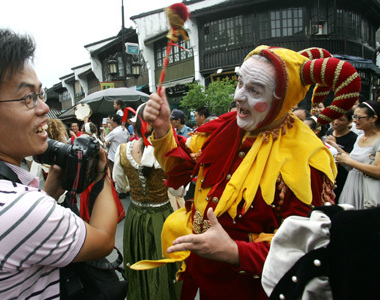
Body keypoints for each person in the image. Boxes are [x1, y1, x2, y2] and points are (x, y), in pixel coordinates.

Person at [136, 46, 360, 299]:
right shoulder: (224, 127)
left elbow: (305, 250)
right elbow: (183, 170)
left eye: (254, 90)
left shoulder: (306, 157)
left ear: (282, 100)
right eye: (240, 82)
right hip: (202, 272)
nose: (239, 97)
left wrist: (235, 251)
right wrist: (164, 128)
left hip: (250, 287)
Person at [0, 28, 118, 299]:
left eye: (40, 95)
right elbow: (103, 241)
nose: (43, 108)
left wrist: (48, 194)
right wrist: (102, 175)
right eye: (28, 98)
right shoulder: (18, 210)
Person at [113, 103, 181, 299]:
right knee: (163, 266)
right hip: (162, 217)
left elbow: (120, 186)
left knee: (139, 263)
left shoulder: (123, 150)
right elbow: (177, 190)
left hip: (135, 217)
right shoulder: (169, 151)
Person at [335, 101, 380, 209]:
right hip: (351, 185)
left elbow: (378, 171)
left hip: (367, 188)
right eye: (354, 117)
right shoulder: (360, 137)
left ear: (373, 118)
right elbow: (352, 162)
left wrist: (348, 161)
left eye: (359, 117)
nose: (355, 121)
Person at [325, 110, 358, 202]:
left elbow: (350, 159)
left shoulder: (353, 138)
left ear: (349, 122)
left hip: (343, 176)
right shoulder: (330, 132)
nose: (336, 122)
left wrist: (335, 146)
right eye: (334, 118)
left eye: (341, 119)